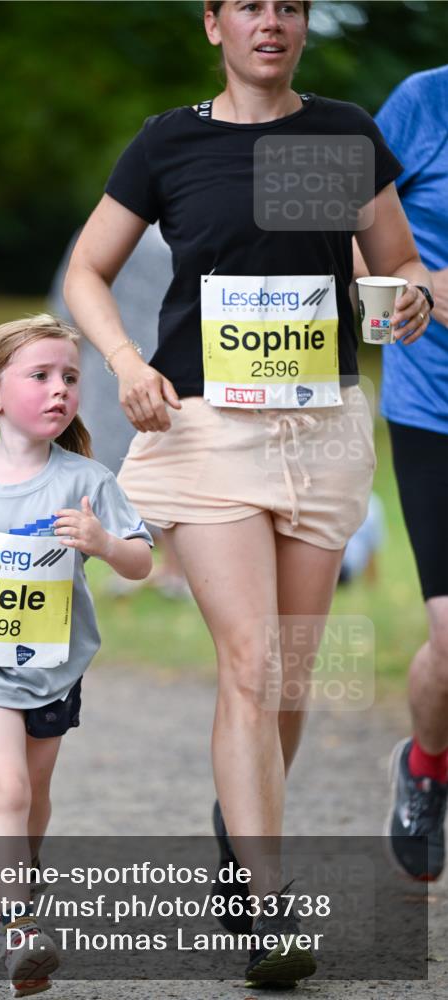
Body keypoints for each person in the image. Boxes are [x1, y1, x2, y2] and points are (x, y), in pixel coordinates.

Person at [64, 0, 433, 987]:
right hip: (206, 430)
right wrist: (123, 360)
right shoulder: (167, 144)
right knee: (253, 659)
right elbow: (86, 270)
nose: (270, 22)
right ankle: (270, 909)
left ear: (301, 25)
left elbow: (395, 260)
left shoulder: (345, 135)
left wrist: (412, 294)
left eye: (288, 6)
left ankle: (239, 826)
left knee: (290, 675)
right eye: (249, 7)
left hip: (320, 431)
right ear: (213, 26)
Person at [0, 314, 152, 997]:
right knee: (6, 788)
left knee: (34, 794)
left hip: (53, 670)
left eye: (69, 377)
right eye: (39, 376)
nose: (59, 390)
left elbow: (139, 561)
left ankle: (21, 872)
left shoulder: (87, 479)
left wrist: (103, 543)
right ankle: (16, 926)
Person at [371, 66, 448, 883]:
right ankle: (428, 765)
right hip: (436, 406)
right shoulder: (423, 103)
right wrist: (422, 282)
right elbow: (350, 227)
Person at [50, 224, 190, 598]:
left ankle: (164, 567)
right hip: (145, 365)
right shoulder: (195, 227)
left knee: (143, 466)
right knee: (162, 465)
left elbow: (66, 306)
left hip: (121, 362)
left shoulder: (104, 234)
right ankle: (160, 566)